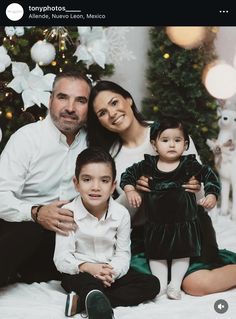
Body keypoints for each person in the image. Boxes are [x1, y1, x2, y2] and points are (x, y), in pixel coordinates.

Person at [86, 80, 236, 296]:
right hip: (149, 233)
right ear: (100, 121)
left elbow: (203, 199)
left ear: (128, 99)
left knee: (195, 284)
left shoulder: (170, 132)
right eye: (102, 112)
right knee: (140, 282)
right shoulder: (110, 157)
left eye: (114, 102)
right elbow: (115, 215)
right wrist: (134, 193)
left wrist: (197, 188)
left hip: (190, 225)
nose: (112, 113)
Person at [0, 71, 91, 286]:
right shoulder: (26, 138)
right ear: (50, 100)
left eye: (80, 100)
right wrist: (37, 212)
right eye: (63, 97)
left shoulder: (94, 143)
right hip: (20, 230)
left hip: (61, 240)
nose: (70, 107)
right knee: (29, 229)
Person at [120, 117, 221, 299]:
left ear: (186, 144)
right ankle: (159, 285)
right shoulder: (148, 165)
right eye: (165, 140)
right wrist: (130, 190)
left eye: (177, 140)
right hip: (156, 224)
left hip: (184, 223)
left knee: (181, 253)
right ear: (154, 144)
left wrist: (212, 194)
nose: (172, 145)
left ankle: (175, 283)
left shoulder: (189, 165)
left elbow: (209, 176)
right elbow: (128, 174)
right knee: (156, 254)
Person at [53, 147, 160, 318]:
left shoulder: (121, 214)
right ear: (76, 183)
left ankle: (85, 302)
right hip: (81, 273)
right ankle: (94, 299)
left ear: (113, 186)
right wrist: (88, 267)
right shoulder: (68, 212)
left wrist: (111, 272)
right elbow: (61, 258)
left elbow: (123, 254)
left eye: (104, 181)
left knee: (152, 284)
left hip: (109, 273)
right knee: (83, 281)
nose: (95, 187)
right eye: (87, 179)